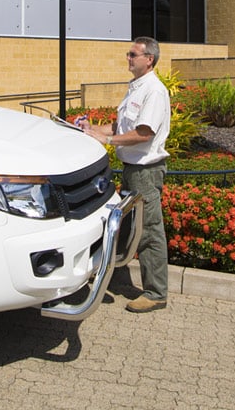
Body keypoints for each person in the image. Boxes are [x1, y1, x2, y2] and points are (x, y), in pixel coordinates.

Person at [82, 36, 170, 313]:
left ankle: (156, 293)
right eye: (128, 53)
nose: (128, 58)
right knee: (126, 228)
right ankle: (108, 275)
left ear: (149, 60)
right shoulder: (136, 88)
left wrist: (108, 141)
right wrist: (93, 129)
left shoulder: (154, 91)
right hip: (133, 170)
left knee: (149, 232)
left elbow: (144, 133)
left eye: (133, 54)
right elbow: (120, 125)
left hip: (145, 171)